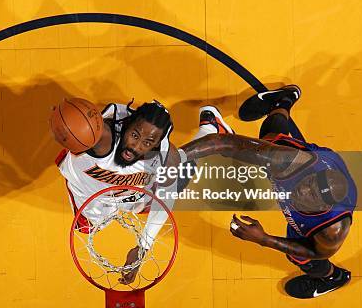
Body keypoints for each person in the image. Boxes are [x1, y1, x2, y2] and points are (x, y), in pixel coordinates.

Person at [180, 85, 356, 298]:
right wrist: (175, 159)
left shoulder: (331, 230)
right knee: (271, 139)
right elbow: (222, 143)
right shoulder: (292, 163)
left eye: (312, 195)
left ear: (324, 206)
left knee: (301, 257)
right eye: (309, 183)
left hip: (316, 223)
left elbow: (317, 251)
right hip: (323, 158)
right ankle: (284, 101)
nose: (303, 190)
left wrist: (264, 239)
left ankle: (331, 277)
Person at [55, 100, 233, 283]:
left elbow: (164, 203)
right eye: (134, 135)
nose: (136, 146)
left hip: (134, 192)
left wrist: (143, 248)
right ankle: (211, 131)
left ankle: (211, 130)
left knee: (178, 177)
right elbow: (76, 124)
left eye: (148, 142)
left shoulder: (164, 158)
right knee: (86, 226)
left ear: (155, 145)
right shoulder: (100, 138)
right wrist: (63, 119)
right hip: (93, 192)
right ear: (127, 124)